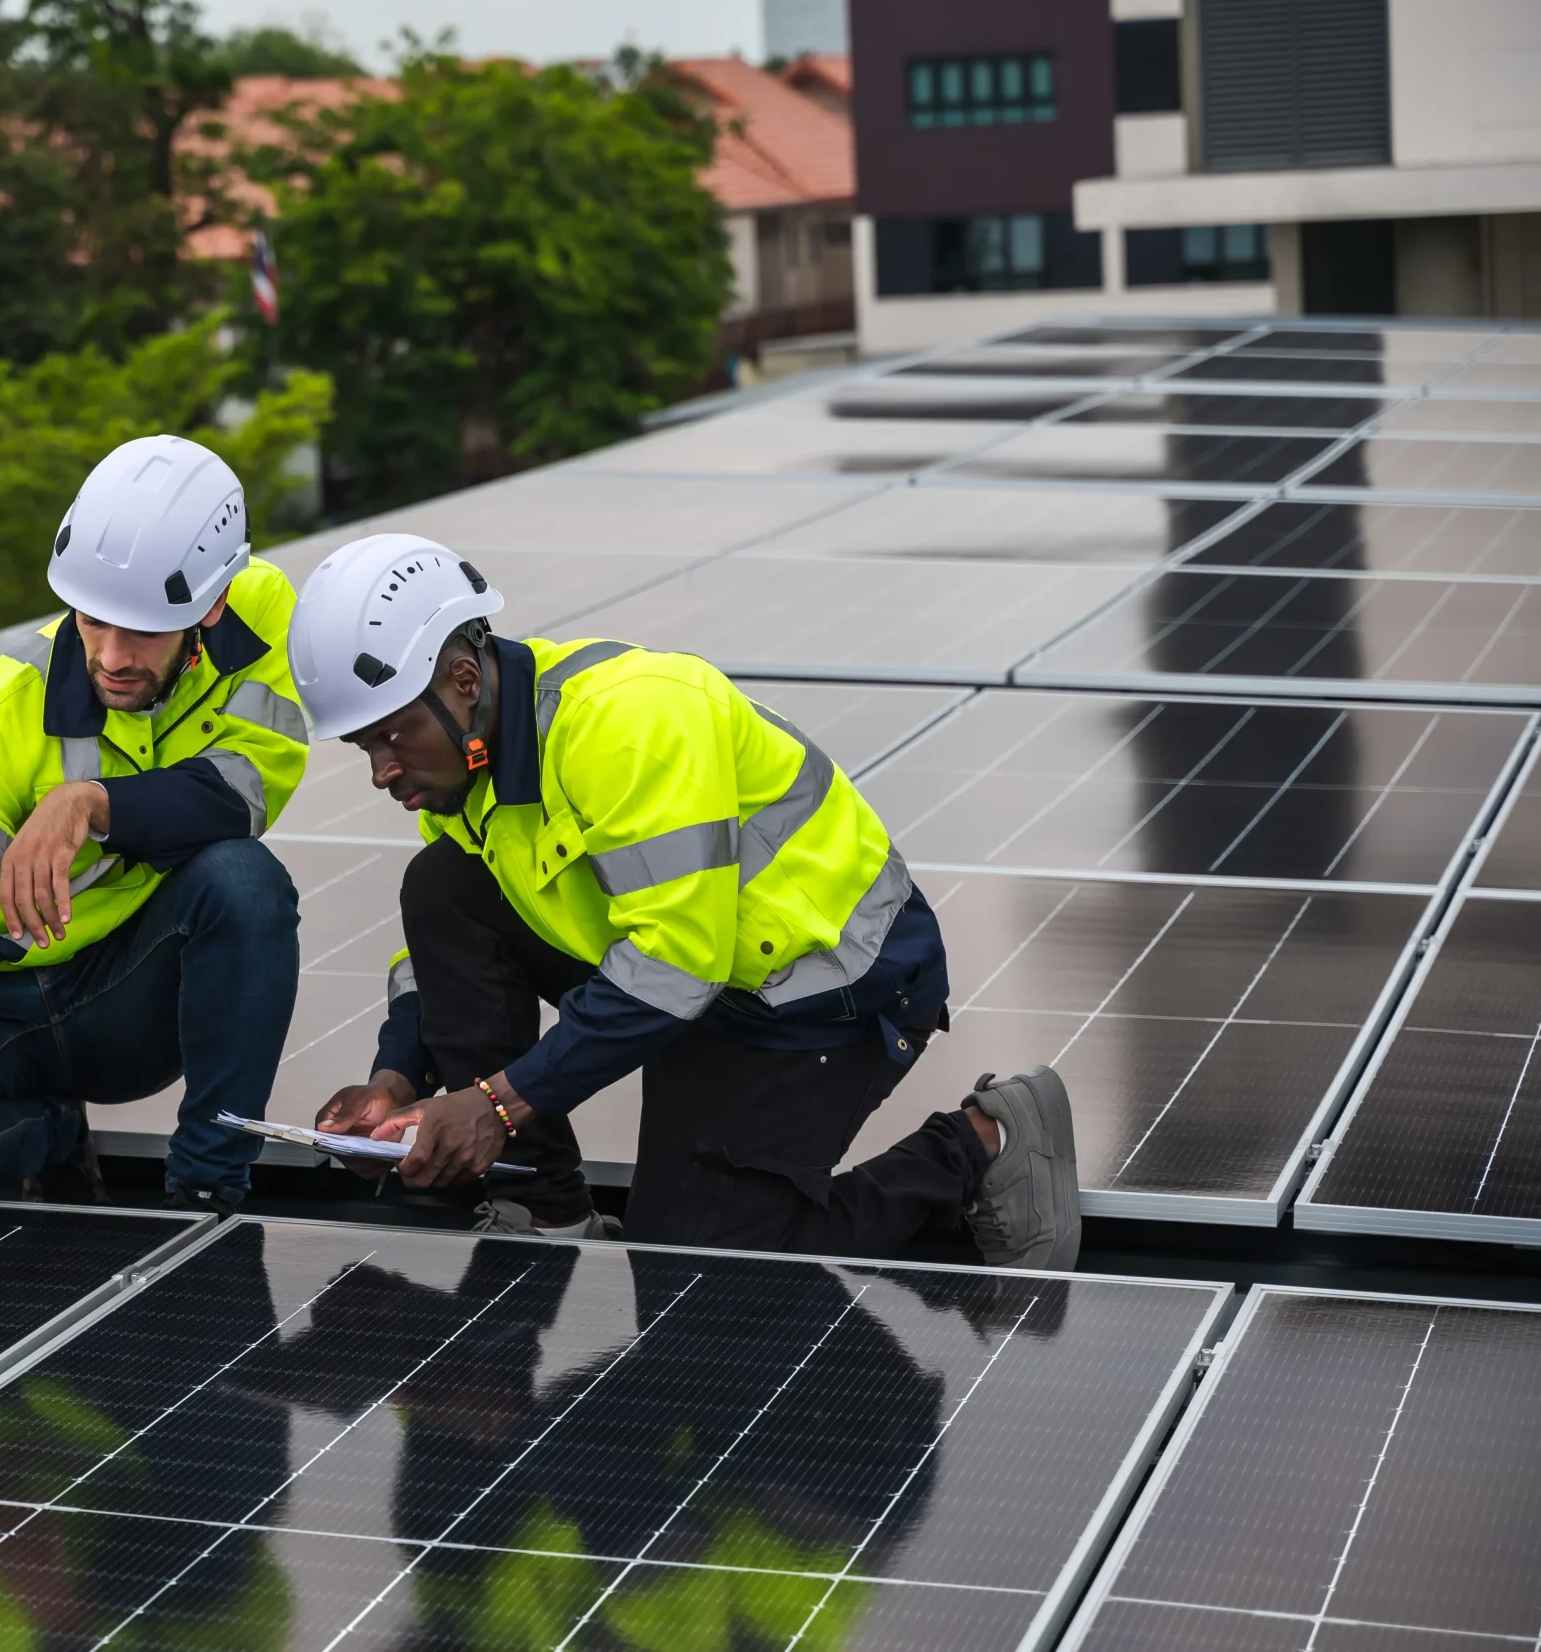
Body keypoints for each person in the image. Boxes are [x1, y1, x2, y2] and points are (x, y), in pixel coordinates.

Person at [287, 533, 1078, 1267]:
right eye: (366, 746)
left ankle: (983, 1141)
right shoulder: (470, 769)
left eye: (392, 735)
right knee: (441, 889)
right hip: (692, 987)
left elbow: (672, 966)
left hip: (825, 994)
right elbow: (446, 940)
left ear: (464, 678)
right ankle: (544, 1209)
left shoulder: (628, 720)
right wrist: (395, 1080)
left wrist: (495, 1105)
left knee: (695, 1261)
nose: (382, 771)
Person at [0, 435, 309, 1250]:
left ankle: (207, 1186)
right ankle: (53, 1134)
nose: (112, 657)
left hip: (129, 993)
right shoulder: (3, 706)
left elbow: (245, 793)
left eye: (144, 632)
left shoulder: (262, 617)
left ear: (211, 606)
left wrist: (91, 801)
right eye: (94, 622)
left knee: (245, 882)